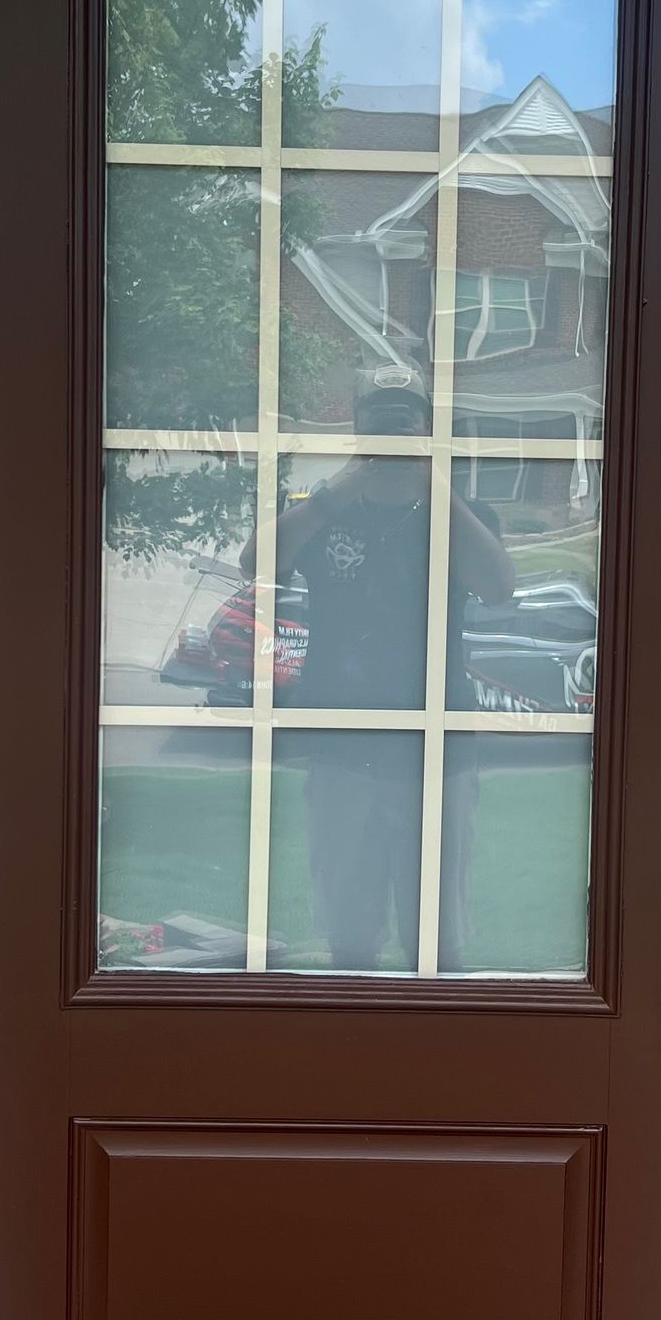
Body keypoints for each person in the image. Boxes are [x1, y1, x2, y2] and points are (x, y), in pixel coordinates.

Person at [242, 384, 513, 967]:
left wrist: (432, 482)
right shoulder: (324, 512)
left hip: (437, 748)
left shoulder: (459, 514)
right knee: (350, 935)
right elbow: (255, 564)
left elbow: (497, 587)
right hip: (341, 742)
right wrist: (337, 491)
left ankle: (441, 1049)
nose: (390, 449)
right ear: (358, 440)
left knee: (437, 940)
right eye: (379, 437)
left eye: (404, 435)